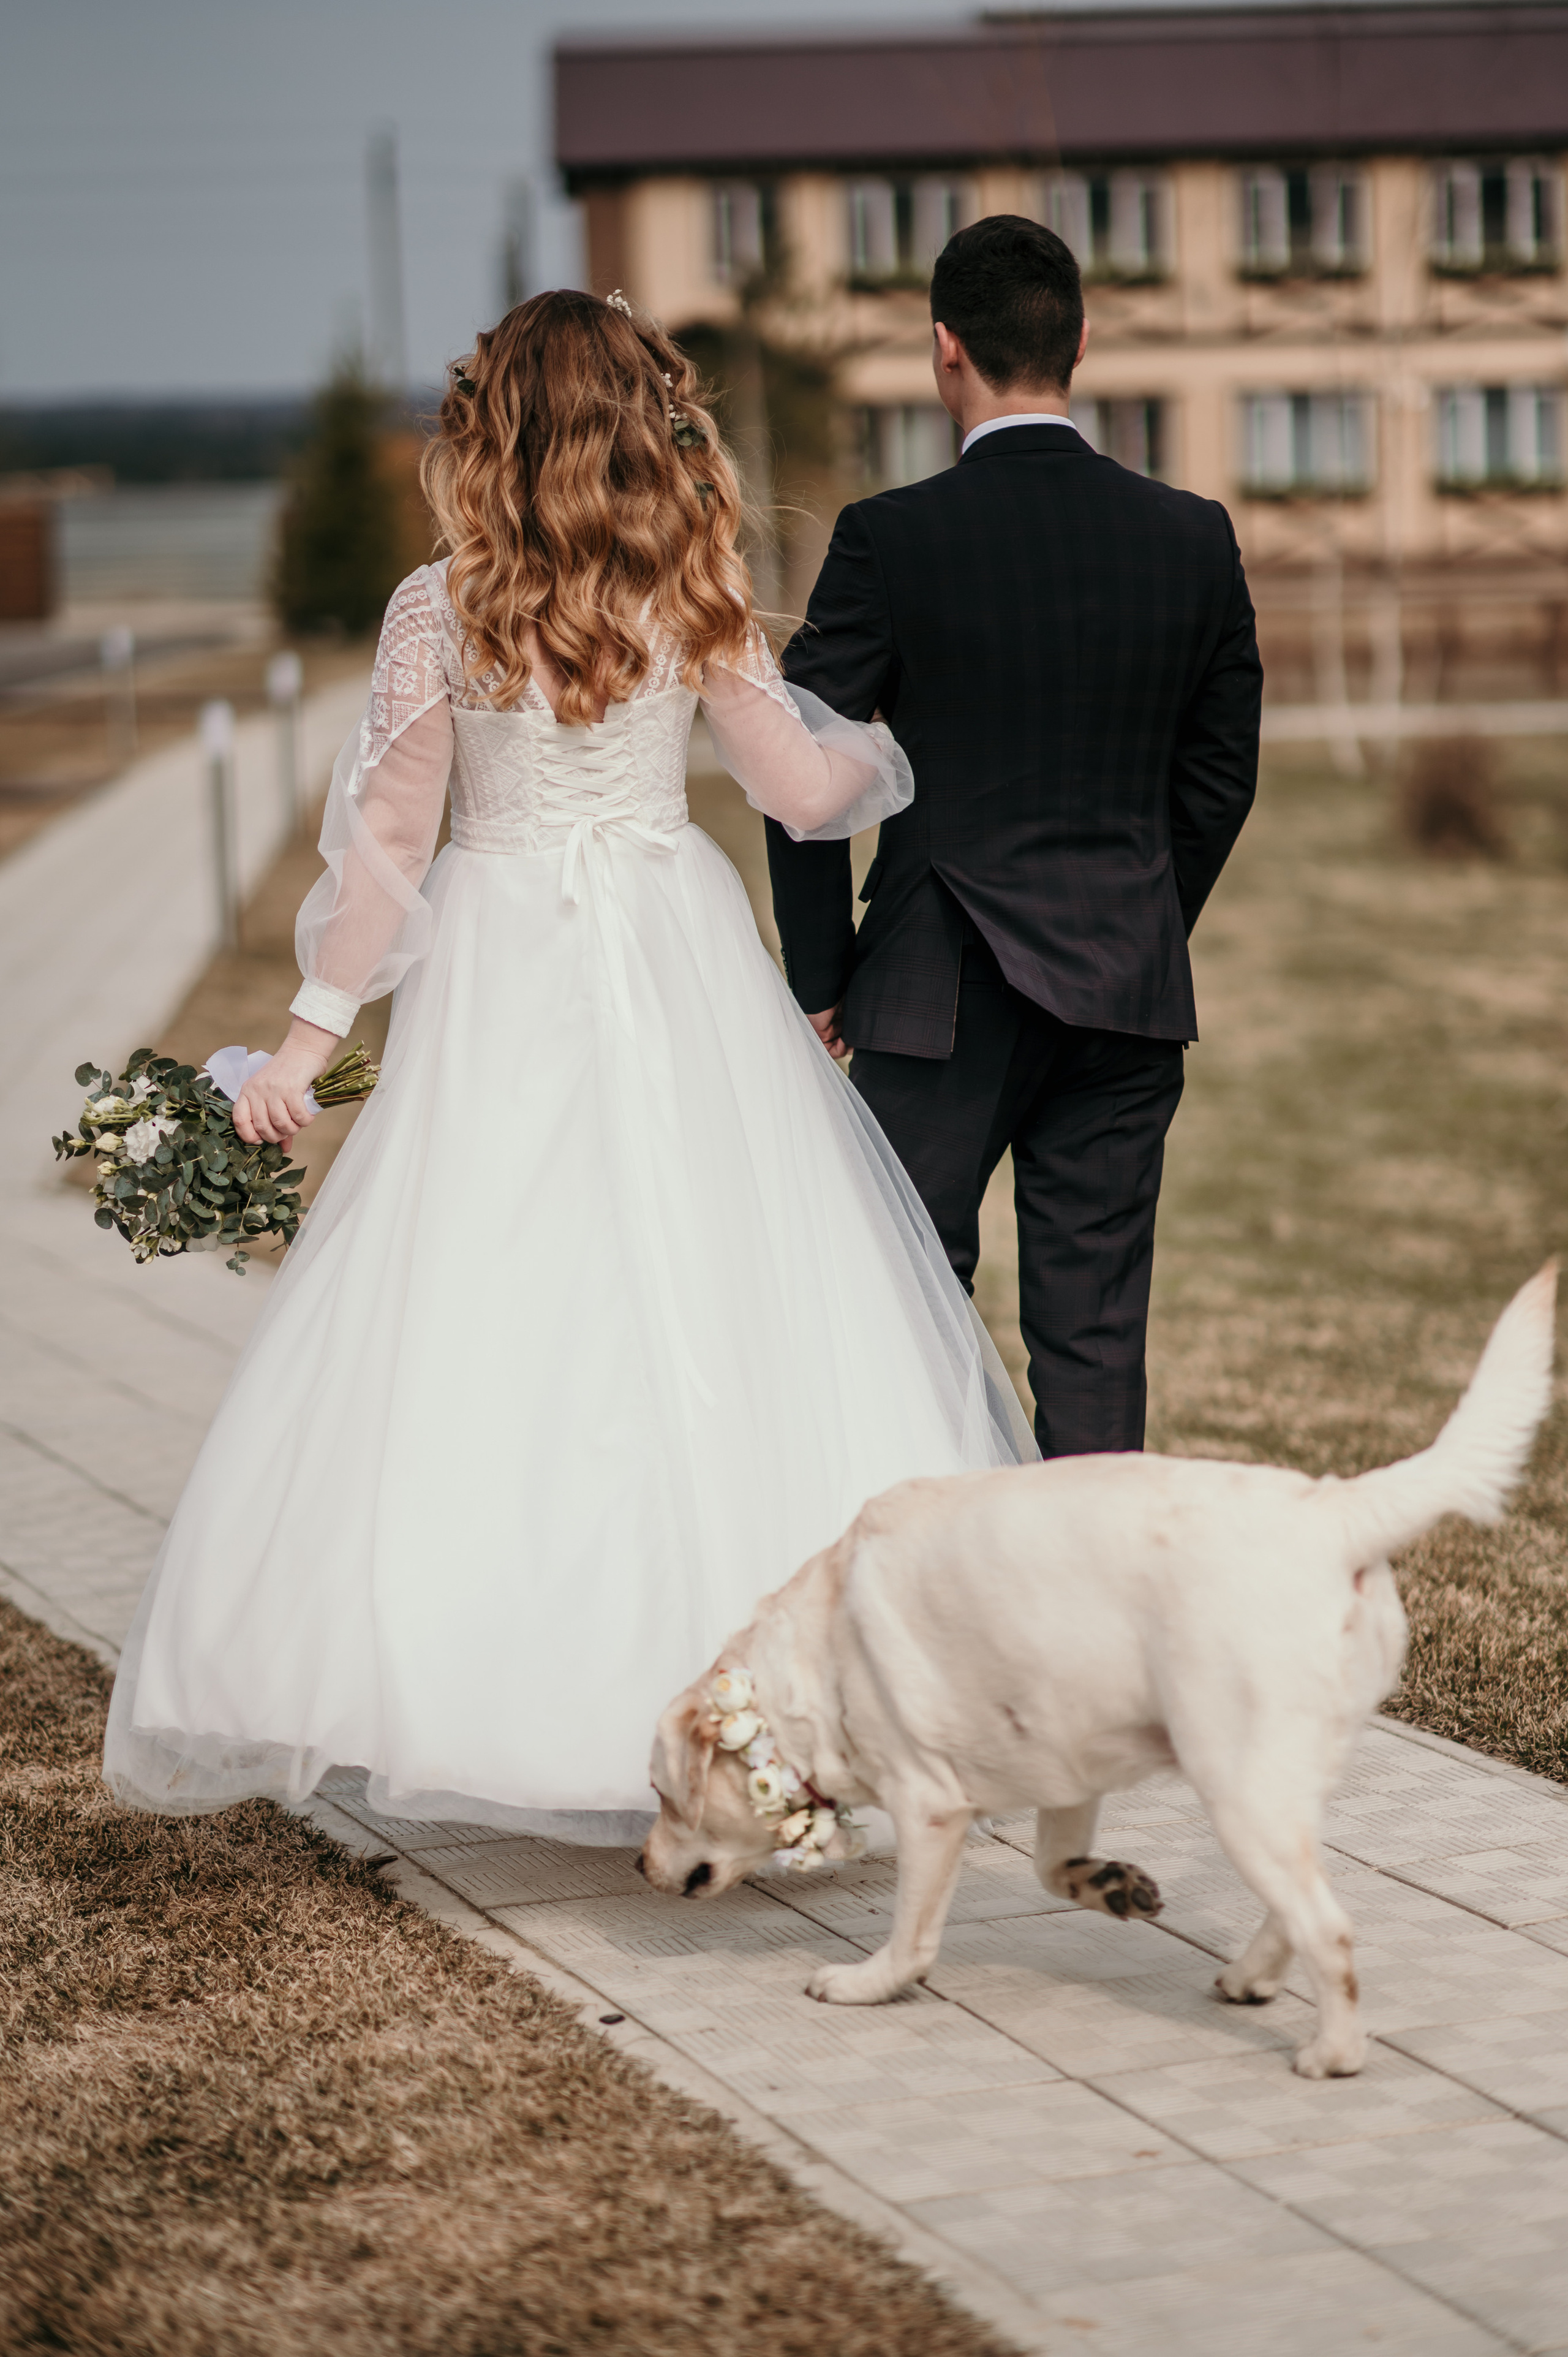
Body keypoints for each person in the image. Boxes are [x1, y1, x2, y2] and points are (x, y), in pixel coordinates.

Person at [103, 290, 1032, 1841]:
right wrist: (890, 747)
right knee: (720, 1291)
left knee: (490, 1297)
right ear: (640, 415)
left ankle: (502, 1692)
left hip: (505, 962)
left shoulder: (437, 605)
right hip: (674, 950)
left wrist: (305, 1041)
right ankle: (785, 1707)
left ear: (495, 424)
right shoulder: (693, 581)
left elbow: (390, 855)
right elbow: (803, 792)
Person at [768, 216, 1263, 1459]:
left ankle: (928, 1600)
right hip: (1123, 985)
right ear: (1080, 342)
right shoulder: (1191, 536)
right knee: (1095, 1337)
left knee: (900, 1301)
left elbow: (804, 767)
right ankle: (1086, 1632)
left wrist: (821, 976)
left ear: (945, 350)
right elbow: (1217, 778)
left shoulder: (891, 538)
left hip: (936, 991)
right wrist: (1140, 908)